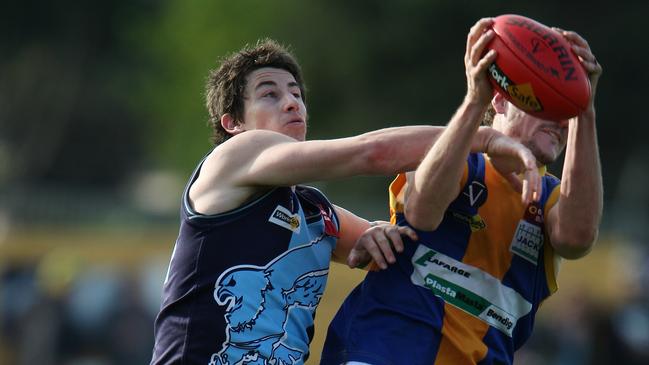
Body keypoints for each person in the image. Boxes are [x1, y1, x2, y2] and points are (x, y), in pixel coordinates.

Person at [149, 38, 539, 365]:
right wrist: (481, 136)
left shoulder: (316, 212)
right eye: (269, 93)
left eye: (296, 94)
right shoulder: (234, 156)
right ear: (232, 123)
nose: (291, 103)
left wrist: (377, 236)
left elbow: (390, 247)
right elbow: (370, 154)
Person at [321, 17, 603, 365]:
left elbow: (578, 238)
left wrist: (585, 112)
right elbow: (423, 211)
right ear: (500, 101)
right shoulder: (455, 157)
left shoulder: (549, 200)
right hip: (385, 352)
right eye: (545, 103)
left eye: (566, 112)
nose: (561, 121)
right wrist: (474, 99)